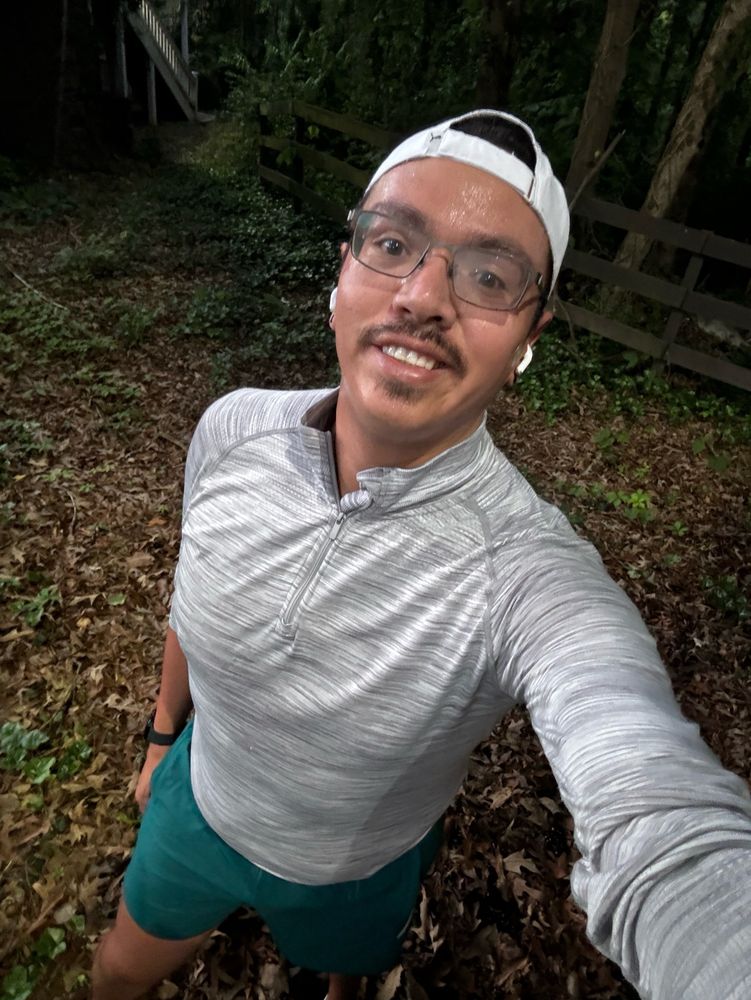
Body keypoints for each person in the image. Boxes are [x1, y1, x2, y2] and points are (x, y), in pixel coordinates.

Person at [92, 110, 751, 1000]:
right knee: (115, 972)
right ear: (344, 272)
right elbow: (189, 597)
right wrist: (161, 736)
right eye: (394, 243)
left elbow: (658, 809)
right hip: (197, 806)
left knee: (346, 974)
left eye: (490, 276)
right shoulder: (231, 428)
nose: (423, 296)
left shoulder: (526, 574)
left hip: (359, 868)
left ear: (528, 338)